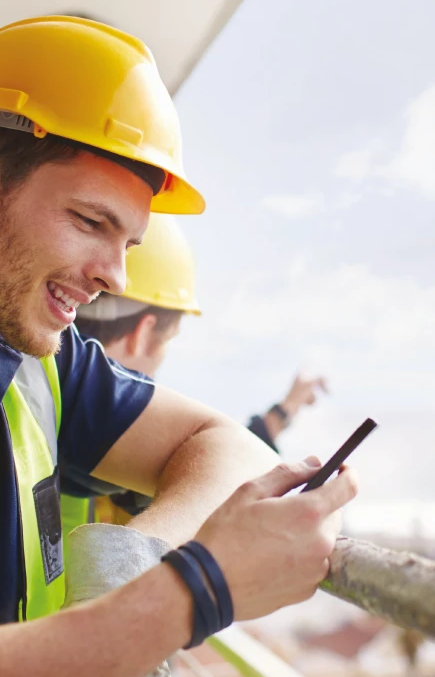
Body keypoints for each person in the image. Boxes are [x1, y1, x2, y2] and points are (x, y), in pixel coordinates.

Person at [0, 15, 356, 677]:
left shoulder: (37, 365)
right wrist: (190, 592)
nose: (115, 279)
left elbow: (232, 451)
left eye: (127, 244)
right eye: (91, 223)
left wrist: (129, 566)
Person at [65, 213, 328, 528]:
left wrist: (282, 413)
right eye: (169, 340)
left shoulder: (33, 388)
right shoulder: (98, 433)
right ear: (144, 333)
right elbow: (217, 463)